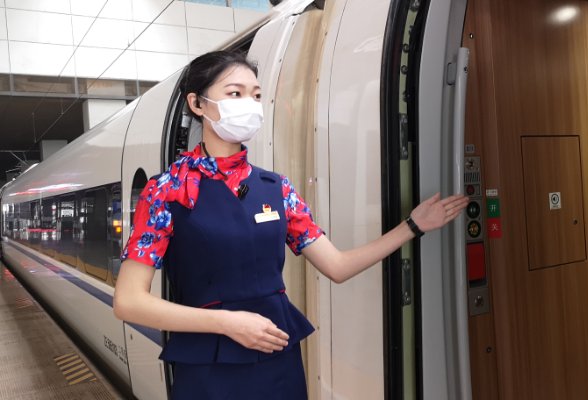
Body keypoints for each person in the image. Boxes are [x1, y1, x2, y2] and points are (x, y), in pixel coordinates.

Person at [112, 50, 468, 399]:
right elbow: (128, 302)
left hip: (277, 360)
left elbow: (337, 266)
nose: (249, 104)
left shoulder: (277, 188)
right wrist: (228, 323)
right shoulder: (167, 191)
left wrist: (413, 226)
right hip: (209, 367)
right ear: (197, 104)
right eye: (235, 93)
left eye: (256, 96)